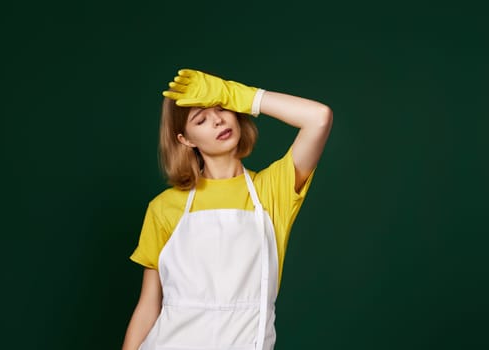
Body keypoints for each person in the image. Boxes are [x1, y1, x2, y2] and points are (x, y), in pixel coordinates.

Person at [122, 68, 333, 350]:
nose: (218, 120)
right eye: (201, 119)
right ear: (186, 140)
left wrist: (236, 94)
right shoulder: (164, 207)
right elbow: (148, 305)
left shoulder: (272, 191)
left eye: (222, 108)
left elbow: (318, 118)